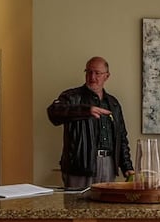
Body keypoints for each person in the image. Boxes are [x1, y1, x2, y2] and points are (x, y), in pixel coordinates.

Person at [46, 57, 133, 189]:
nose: (92, 77)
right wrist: (86, 110)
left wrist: (127, 167)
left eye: (97, 73)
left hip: (108, 165)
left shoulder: (113, 103)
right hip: (79, 167)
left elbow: (121, 137)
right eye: (88, 72)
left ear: (106, 76)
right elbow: (53, 113)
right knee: (77, 208)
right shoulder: (72, 97)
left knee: (105, 208)